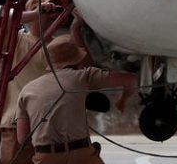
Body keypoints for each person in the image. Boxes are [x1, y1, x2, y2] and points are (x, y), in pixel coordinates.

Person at [16, 34, 137, 164]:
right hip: (80, 154)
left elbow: (23, 138)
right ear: (77, 60)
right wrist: (123, 99)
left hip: (47, 157)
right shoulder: (83, 76)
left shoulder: (27, 90)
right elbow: (131, 79)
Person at [0, 0, 61, 164]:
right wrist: (36, 13)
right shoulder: (17, 41)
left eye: (51, 9)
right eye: (41, 9)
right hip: (16, 124)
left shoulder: (62, 44)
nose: (49, 13)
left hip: (53, 124)